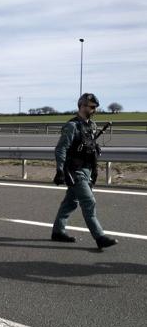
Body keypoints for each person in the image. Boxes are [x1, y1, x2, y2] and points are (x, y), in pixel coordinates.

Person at [51, 93, 117, 249]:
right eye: (92, 107)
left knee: (70, 202)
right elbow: (61, 149)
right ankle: (99, 237)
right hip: (75, 170)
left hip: (87, 170)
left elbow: (89, 146)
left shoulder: (91, 126)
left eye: (95, 107)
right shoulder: (72, 126)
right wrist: (60, 170)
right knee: (89, 201)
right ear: (82, 106)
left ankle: (58, 232)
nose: (94, 110)